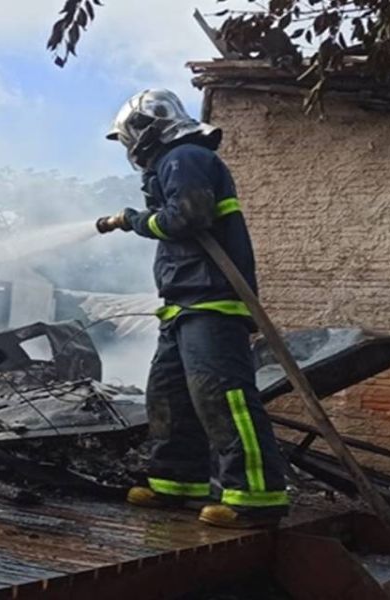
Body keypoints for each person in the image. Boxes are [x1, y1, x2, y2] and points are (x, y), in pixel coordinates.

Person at [96, 89, 290, 529]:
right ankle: (176, 481)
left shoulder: (185, 157)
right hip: (183, 303)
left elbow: (186, 217)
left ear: (146, 131)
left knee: (224, 397)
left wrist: (132, 219)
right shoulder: (172, 163)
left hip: (212, 299)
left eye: (129, 138)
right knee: (170, 394)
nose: (129, 149)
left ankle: (255, 495)